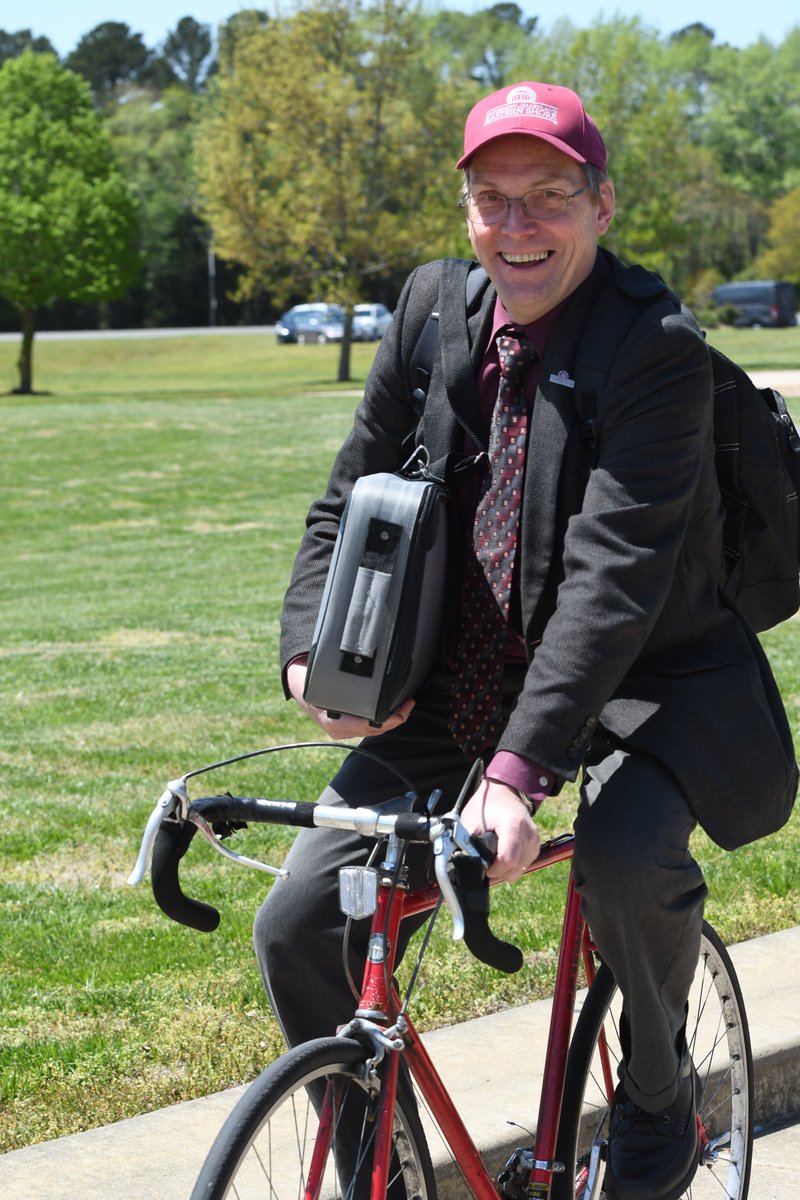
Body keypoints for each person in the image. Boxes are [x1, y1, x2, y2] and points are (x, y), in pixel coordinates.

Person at [255, 81, 797, 1200]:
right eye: (490, 201)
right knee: (299, 919)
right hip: (462, 687)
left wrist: (516, 773)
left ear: (600, 205)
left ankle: (657, 1098)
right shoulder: (429, 312)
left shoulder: (654, 347)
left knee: (622, 853)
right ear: (463, 214)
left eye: (546, 197)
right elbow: (343, 496)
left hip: (649, 677)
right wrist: (311, 647)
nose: (515, 228)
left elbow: (613, 578)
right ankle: (380, 1173)